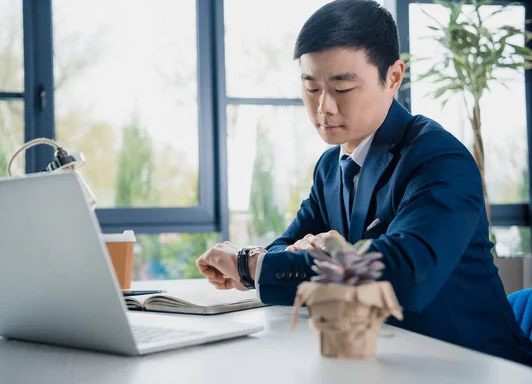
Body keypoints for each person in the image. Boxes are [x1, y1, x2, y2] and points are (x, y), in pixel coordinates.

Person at [195, 0, 532, 365]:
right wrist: (281, 260)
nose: (323, 107)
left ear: (393, 77)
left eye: (342, 89)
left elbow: (405, 275)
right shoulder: (330, 167)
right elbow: (285, 249)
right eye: (311, 89)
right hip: (383, 362)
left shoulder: (439, 159)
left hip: (477, 369)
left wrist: (251, 265)